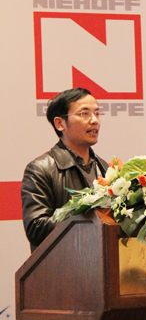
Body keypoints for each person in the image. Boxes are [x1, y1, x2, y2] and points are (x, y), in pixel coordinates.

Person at [21, 88, 108, 252]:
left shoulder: (105, 168)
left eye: (97, 113)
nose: (95, 120)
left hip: (101, 259)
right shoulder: (40, 169)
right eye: (84, 114)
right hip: (63, 263)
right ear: (60, 123)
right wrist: (86, 212)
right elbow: (36, 229)